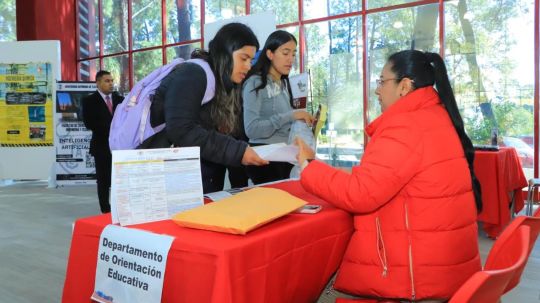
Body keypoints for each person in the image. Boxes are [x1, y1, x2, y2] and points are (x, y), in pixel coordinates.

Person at [296, 50, 483, 302]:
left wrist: (309, 166)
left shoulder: (405, 124)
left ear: (404, 86)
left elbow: (361, 194)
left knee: (317, 290)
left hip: (415, 276)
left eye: (382, 81)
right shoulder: (434, 116)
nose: (377, 90)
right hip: (445, 267)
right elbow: (389, 177)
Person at [149, 23, 268, 193]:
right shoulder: (193, 74)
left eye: (251, 59)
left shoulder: (221, 84)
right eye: (243, 58)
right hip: (160, 176)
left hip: (198, 180)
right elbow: (181, 130)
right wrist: (237, 151)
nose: (248, 66)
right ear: (225, 53)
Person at [242, 30, 313, 184]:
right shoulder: (255, 83)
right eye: (285, 53)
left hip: (284, 157)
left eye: (293, 54)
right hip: (266, 159)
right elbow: (251, 129)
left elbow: (283, 123)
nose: (290, 59)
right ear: (270, 54)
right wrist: (292, 115)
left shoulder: (284, 85)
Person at [82, 70, 124, 213]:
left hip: (120, 147)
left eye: (112, 81)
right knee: (103, 180)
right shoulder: (89, 101)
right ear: (98, 83)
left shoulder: (120, 99)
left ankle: (120, 209)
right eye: (107, 81)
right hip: (101, 146)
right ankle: (105, 210)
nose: (111, 83)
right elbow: (89, 123)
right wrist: (113, 129)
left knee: (119, 179)